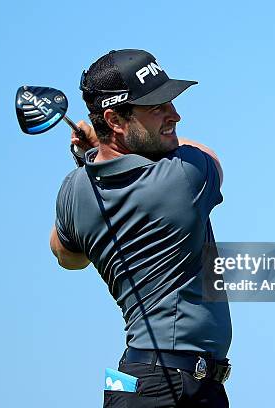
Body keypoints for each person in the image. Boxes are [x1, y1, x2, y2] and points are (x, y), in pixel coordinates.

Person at [50, 49, 232, 407]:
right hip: (177, 385)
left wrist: (90, 158)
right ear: (115, 119)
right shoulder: (183, 176)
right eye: (156, 107)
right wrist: (97, 151)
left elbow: (66, 256)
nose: (174, 115)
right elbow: (210, 156)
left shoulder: (73, 190)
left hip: (132, 378)